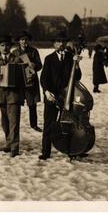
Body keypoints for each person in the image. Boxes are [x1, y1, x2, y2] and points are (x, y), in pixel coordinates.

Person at [38, 32, 82, 160]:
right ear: (54, 44)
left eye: (63, 41)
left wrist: (77, 64)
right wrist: (46, 92)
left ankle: (72, 149)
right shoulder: (49, 58)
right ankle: (46, 152)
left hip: (67, 97)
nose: (61, 44)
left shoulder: (71, 57)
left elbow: (77, 77)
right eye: (58, 41)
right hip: (52, 97)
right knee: (48, 125)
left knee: (69, 125)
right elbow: (44, 78)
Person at [0, 35, 24, 157]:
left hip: (14, 95)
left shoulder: (17, 59)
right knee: (5, 121)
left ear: (10, 47)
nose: (5, 48)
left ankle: (14, 147)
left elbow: (25, 77)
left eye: (7, 45)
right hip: (1, 94)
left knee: (14, 121)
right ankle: (8, 143)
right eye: (2, 46)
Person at [11, 31, 43, 132]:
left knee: (32, 103)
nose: (24, 41)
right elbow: (10, 66)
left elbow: (40, 65)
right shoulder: (14, 52)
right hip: (19, 81)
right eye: (22, 39)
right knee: (17, 103)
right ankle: (16, 124)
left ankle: (34, 124)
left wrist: (34, 65)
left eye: (25, 39)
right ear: (19, 41)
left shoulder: (34, 51)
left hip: (30, 80)